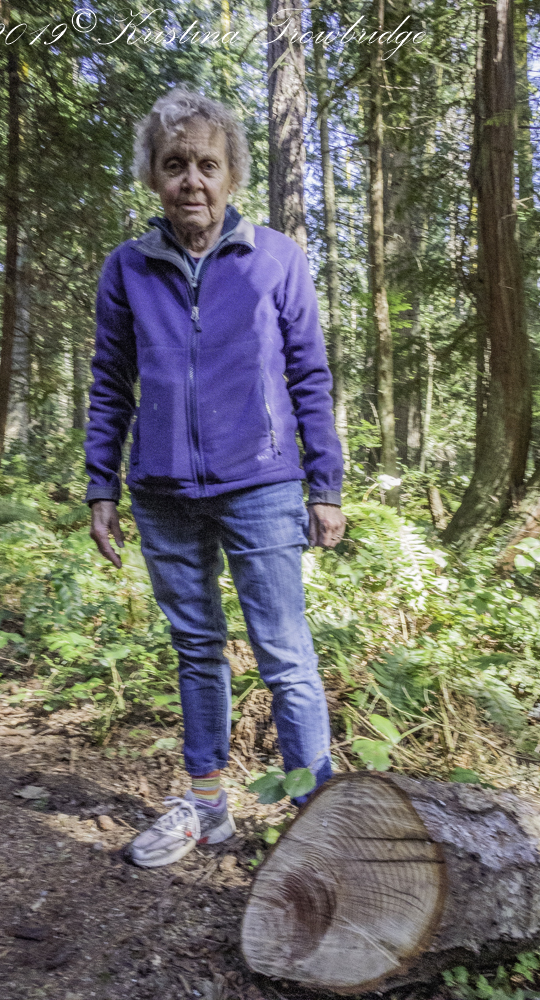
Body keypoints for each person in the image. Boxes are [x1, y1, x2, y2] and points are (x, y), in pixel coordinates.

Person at [85, 87, 346, 869]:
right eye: (175, 165)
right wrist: (101, 485)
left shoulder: (275, 259)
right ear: (153, 177)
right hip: (162, 493)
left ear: (232, 174)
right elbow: (110, 383)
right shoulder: (127, 269)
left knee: (285, 655)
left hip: (261, 485)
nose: (191, 180)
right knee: (196, 650)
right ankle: (207, 808)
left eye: (206, 164)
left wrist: (324, 486)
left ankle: (316, 823)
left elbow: (309, 377)